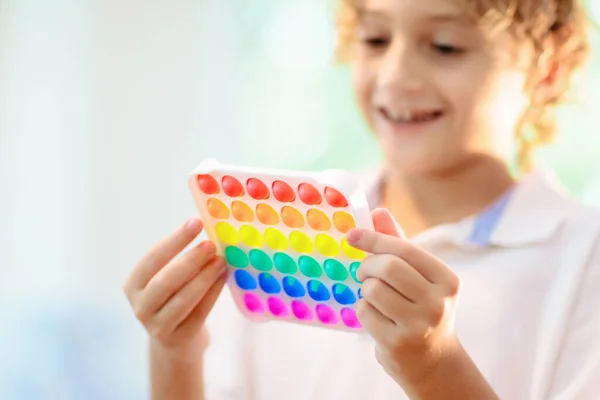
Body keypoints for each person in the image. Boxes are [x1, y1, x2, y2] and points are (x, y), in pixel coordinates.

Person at [123, 0, 600, 398]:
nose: (395, 74)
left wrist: (432, 366)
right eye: (374, 40)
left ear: (548, 72)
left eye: (444, 46)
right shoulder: (286, 232)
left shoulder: (583, 260)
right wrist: (174, 352)